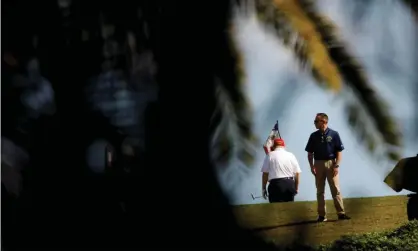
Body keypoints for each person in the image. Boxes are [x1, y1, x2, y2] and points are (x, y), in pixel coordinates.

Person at [305, 113, 351, 222]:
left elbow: (339, 151)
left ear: (324, 122)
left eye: (317, 121)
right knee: (320, 190)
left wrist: (336, 165)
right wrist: (312, 166)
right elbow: (310, 153)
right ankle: (322, 215)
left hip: (331, 163)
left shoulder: (334, 134)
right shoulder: (313, 136)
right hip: (318, 163)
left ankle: (341, 213)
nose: (315, 123)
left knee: (335, 189)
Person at [261, 138, 301, 203]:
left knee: (276, 210)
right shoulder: (291, 155)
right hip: (289, 184)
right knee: (289, 209)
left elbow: (265, 174)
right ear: (284, 146)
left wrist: (263, 189)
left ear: (273, 146)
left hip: (275, 185)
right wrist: (296, 188)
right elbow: (297, 173)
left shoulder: (270, 155)